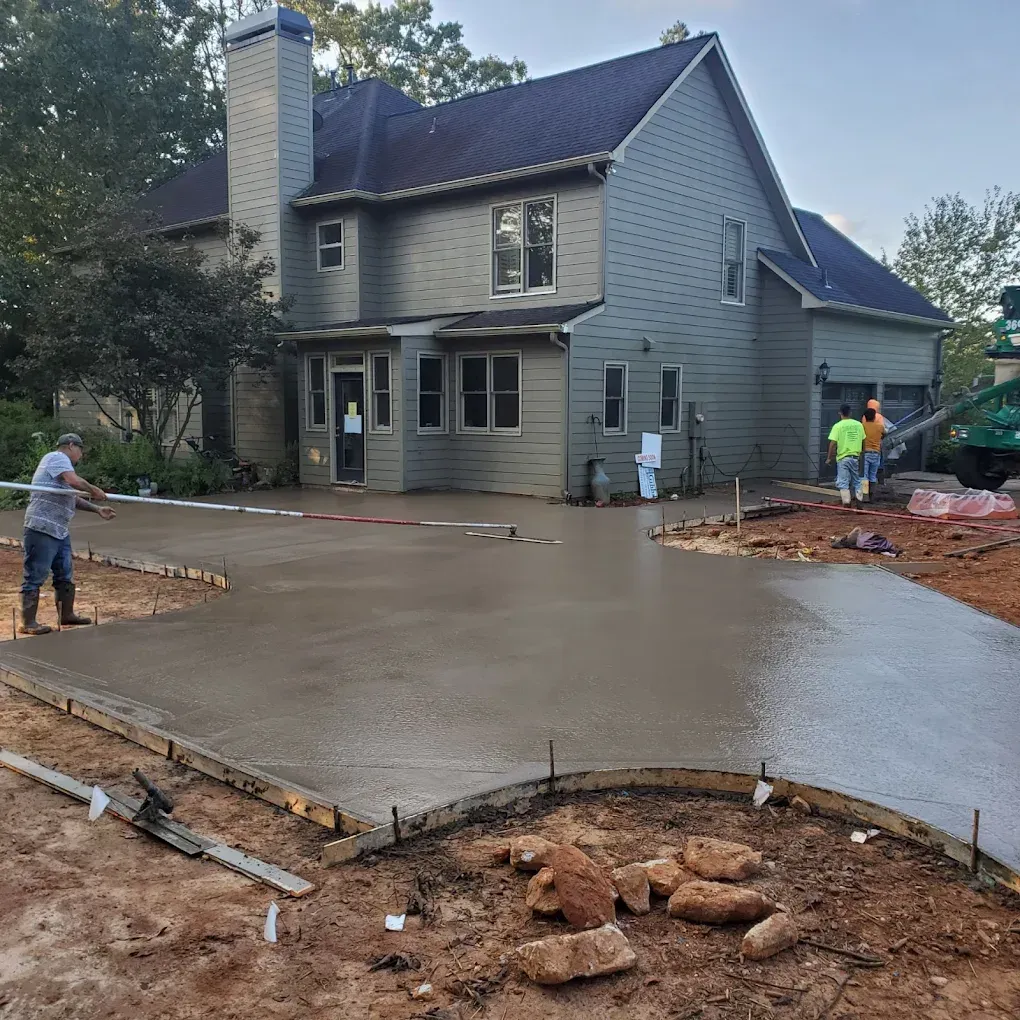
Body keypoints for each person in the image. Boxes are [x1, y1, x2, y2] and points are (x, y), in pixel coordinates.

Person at [21, 434, 116, 635]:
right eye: (80, 450)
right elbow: (74, 482)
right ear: (71, 446)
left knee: (64, 574)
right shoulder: (56, 458)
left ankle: (67, 614)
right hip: (41, 527)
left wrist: (97, 509)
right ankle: (28, 623)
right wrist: (94, 490)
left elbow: (72, 498)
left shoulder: (62, 469)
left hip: (59, 530)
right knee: (35, 574)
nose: (81, 455)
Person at [826, 404, 866, 507]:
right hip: (855, 457)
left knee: (843, 481)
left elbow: (833, 443)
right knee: (857, 480)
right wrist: (862, 453)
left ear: (840, 413)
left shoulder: (838, 426)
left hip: (843, 458)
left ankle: (847, 502)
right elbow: (863, 440)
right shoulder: (859, 425)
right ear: (850, 413)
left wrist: (829, 458)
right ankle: (859, 501)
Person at [859, 406, 884, 502]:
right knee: (873, 475)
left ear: (865, 417)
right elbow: (885, 433)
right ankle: (872, 496)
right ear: (874, 417)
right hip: (876, 453)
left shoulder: (862, 426)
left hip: (865, 453)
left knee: (864, 475)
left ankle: (865, 496)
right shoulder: (880, 426)